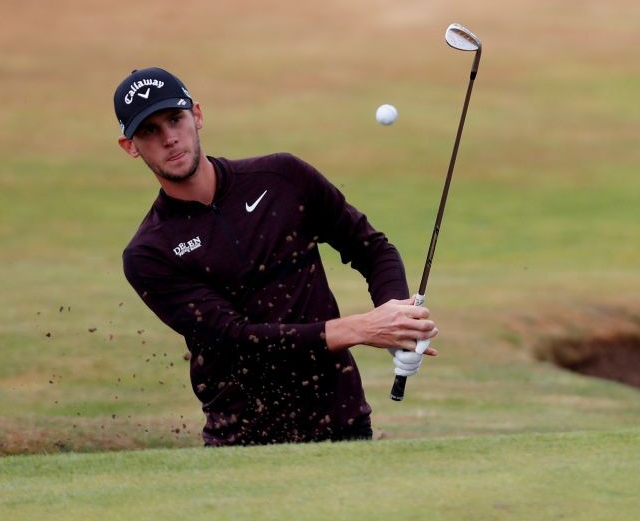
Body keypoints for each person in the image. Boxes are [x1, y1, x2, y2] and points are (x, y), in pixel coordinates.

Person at [114, 67, 438, 446]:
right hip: (244, 442)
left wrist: (396, 317)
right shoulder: (150, 252)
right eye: (149, 130)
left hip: (342, 423)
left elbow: (370, 247)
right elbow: (237, 338)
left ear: (197, 115)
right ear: (130, 146)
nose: (169, 139)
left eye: (175, 119)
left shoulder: (282, 178)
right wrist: (363, 329)